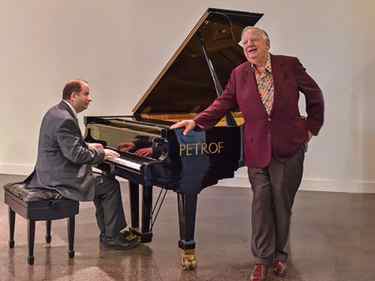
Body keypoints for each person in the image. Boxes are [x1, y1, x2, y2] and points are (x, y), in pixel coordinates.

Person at [171, 27, 324, 281]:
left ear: (267, 44)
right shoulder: (239, 73)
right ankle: (262, 260)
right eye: (245, 43)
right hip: (255, 148)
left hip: (288, 147)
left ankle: (281, 254)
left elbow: (315, 95)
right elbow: (223, 102)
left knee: (281, 204)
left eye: (254, 40)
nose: (249, 45)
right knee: (261, 203)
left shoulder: (289, 65)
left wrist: (311, 128)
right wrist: (196, 122)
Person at [26, 79, 140, 250]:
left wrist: (89, 146)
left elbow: (68, 145)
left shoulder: (56, 112)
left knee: (103, 180)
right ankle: (112, 236)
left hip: (48, 174)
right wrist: (103, 153)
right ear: (73, 96)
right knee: (110, 185)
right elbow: (76, 155)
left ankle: (109, 232)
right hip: (60, 180)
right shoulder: (65, 119)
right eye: (86, 94)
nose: (90, 98)